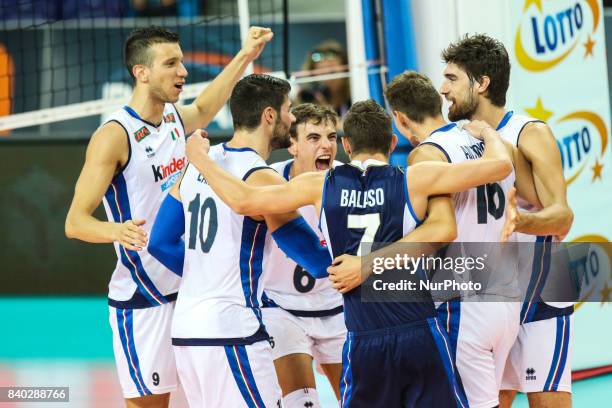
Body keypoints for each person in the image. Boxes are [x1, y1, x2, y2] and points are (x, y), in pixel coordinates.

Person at [183, 99, 516, 407]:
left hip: (362, 338)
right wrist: (486, 130)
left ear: (345, 145)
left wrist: (199, 159)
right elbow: (500, 165)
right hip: (419, 329)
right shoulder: (416, 179)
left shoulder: (319, 184)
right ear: (391, 143)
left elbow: (242, 200)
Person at [64, 26, 273, 408]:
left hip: (191, 291)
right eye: (171, 63)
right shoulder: (114, 135)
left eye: (181, 61)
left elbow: (208, 106)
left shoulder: (175, 120)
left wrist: (246, 54)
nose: (184, 72)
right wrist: (117, 230)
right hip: (145, 299)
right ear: (141, 72)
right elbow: (75, 222)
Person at [148, 74, 333, 407]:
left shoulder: (197, 163)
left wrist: (207, 273)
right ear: (269, 116)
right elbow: (315, 259)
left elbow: (159, 241)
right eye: (289, 111)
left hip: (188, 330)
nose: (291, 120)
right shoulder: (261, 177)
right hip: (232, 330)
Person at [439, 34, 574, 408]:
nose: (443, 88)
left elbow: (563, 217)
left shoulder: (531, 133)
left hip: (541, 295)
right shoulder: (454, 141)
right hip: (491, 297)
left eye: (452, 78)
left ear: (481, 83)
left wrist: (520, 222)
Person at [262, 103, 345, 407]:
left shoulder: (349, 183)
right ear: (293, 145)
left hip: (337, 309)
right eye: (313, 138)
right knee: (302, 403)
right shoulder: (267, 180)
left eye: (332, 137)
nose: (326, 145)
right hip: (281, 310)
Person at [298, 40, 351, 117]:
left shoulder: (357, 96)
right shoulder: (307, 101)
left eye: (332, 72)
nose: (328, 79)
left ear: (346, 70)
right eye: (322, 74)